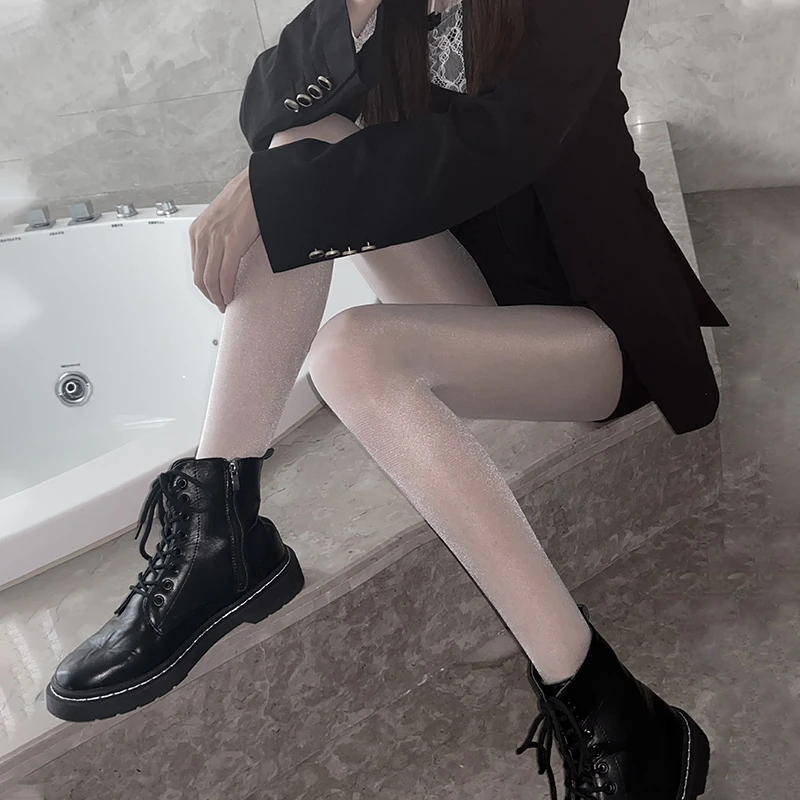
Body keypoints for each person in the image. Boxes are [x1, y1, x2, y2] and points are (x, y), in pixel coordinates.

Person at [46, 0, 727, 796]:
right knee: (298, 143)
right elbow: (267, 109)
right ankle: (218, 532)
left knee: (348, 348)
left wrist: (272, 192)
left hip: (602, 324)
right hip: (476, 297)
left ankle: (616, 713)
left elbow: (501, 143)